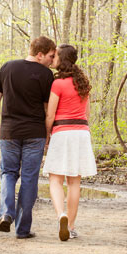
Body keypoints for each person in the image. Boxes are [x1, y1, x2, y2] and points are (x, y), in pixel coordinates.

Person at [0, 36, 57, 239]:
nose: (52, 62)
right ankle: (22, 229)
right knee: (29, 178)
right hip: (34, 133)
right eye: (51, 57)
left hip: (9, 132)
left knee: (8, 173)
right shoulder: (46, 75)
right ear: (40, 54)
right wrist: (47, 134)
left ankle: (6, 213)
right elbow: (47, 109)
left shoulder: (8, 67)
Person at [43, 44, 96, 241]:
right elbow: (87, 115)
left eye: (55, 56)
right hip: (81, 133)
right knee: (75, 182)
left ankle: (61, 215)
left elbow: (50, 114)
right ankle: (71, 227)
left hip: (62, 132)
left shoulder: (58, 84)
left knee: (55, 179)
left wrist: (47, 134)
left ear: (61, 59)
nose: (53, 59)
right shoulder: (83, 82)